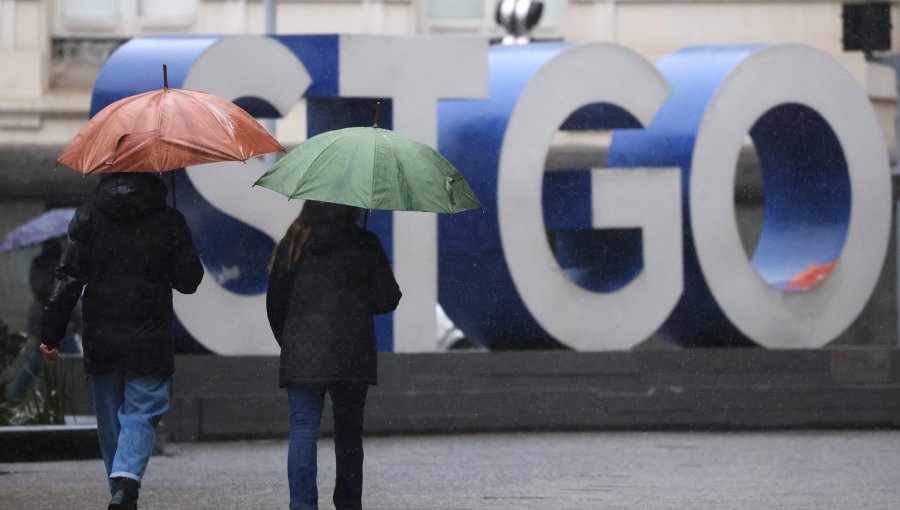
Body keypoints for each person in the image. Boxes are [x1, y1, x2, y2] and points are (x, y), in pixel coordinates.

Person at [39, 173, 204, 510]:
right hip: (150, 334)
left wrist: (51, 332)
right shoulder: (167, 218)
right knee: (142, 412)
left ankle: (120, 492)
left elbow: (69, 275)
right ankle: (126, 484)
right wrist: (174, 238)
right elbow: (189, 280)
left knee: (111, 423)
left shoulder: (89, 215)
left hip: (102, 335)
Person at [266, 200, 401, 510]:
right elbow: (387, 298)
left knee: (303, 430)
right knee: (349, 434)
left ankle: (302, 505)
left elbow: (276, 303)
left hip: (302, 350)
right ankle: (349, 504)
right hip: (352, 352)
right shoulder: (365, 242)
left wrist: (290, 342)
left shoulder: (293, 241)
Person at [6, 238, 82, 400]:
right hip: (50, 321)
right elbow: (45, 291)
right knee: (44, 362)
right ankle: (12, 396)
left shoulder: (59, 262)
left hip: (56, 321)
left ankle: (13, 396)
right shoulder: (46, 263)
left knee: (69, 361)